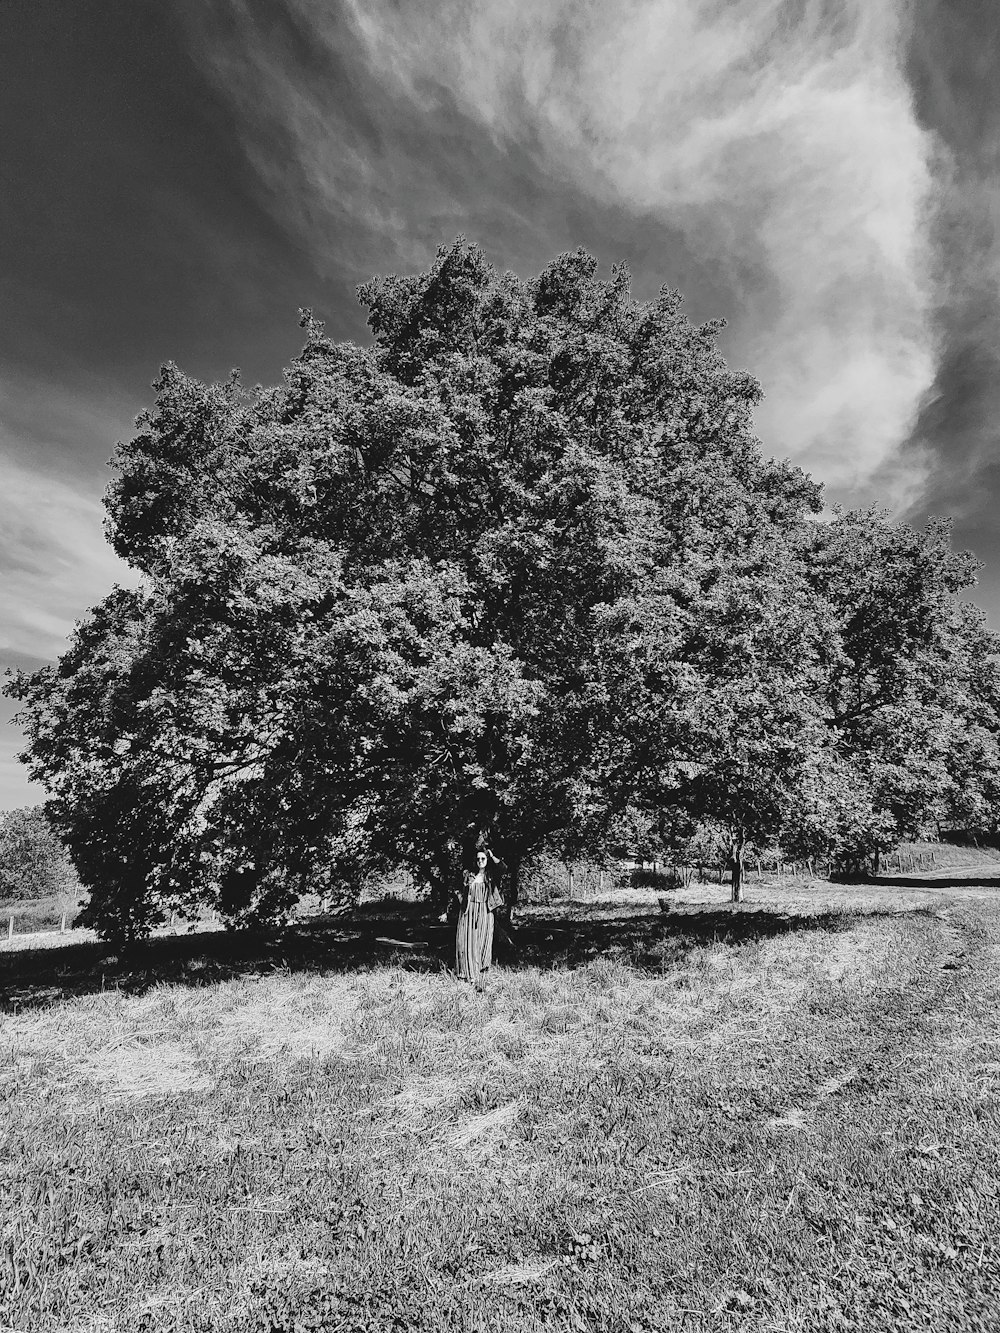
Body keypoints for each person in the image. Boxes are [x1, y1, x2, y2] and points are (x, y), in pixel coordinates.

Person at [455, 846, 502, 991]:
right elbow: (458, 889)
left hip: (486, 910)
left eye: (483, 858)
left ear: (487, 860)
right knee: (468, 940)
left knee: (482, 939)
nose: (480, 861)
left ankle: (481, 969)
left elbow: (503, 868)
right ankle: (468, 972)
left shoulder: (491, 875)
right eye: (478, 859)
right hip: (469, 910)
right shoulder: (469, 875)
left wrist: (492, 855)